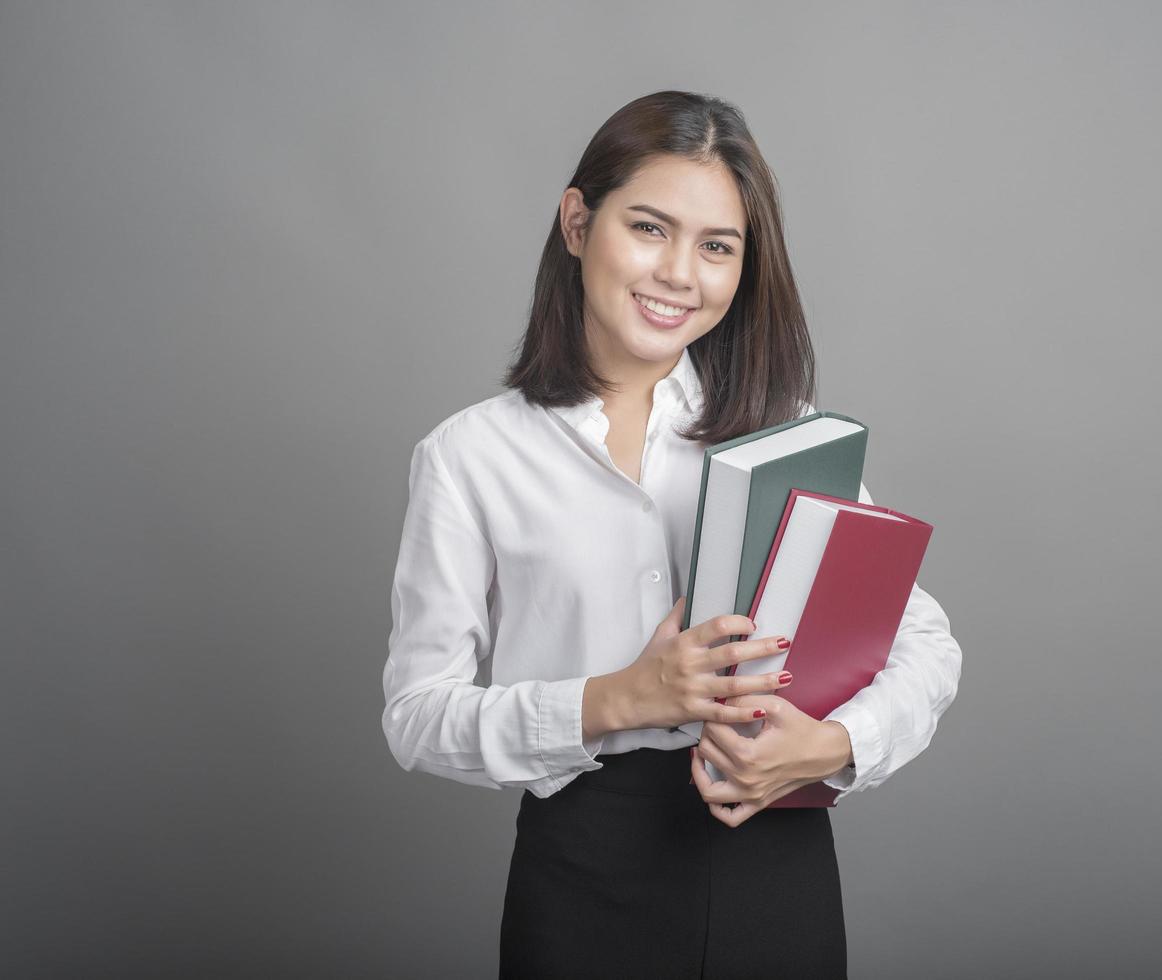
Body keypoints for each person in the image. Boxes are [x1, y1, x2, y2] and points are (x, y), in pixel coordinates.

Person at [381, 90, 962, 979]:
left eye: (717, 247)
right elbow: (418, 718)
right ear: (578, 223)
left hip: (771, 849)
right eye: (649, 228)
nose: (680, 275)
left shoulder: (781, 432)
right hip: (582, 869)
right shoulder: (470, 455)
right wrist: (622, 697)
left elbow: (924, 640)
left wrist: (835, 746)